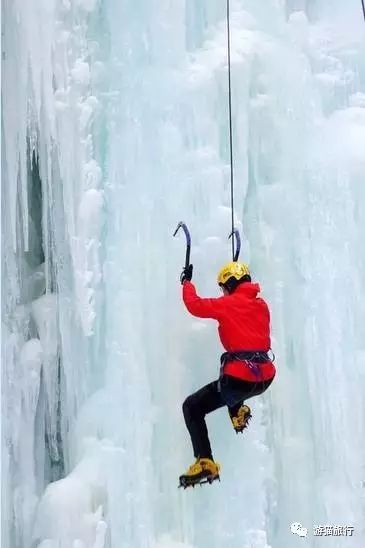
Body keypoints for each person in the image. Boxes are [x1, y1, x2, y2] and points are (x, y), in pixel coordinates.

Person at [179, 261, 276, 488]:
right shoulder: (262, 306)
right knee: (230, 384)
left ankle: (205, 461)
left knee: (192, 407)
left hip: (239, 379)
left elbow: (194, 305)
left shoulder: (227, 304)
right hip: (264, 378)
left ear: (231, 285)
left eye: (223, 287)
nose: (222, 292)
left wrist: (186, 282)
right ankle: (238, 413)